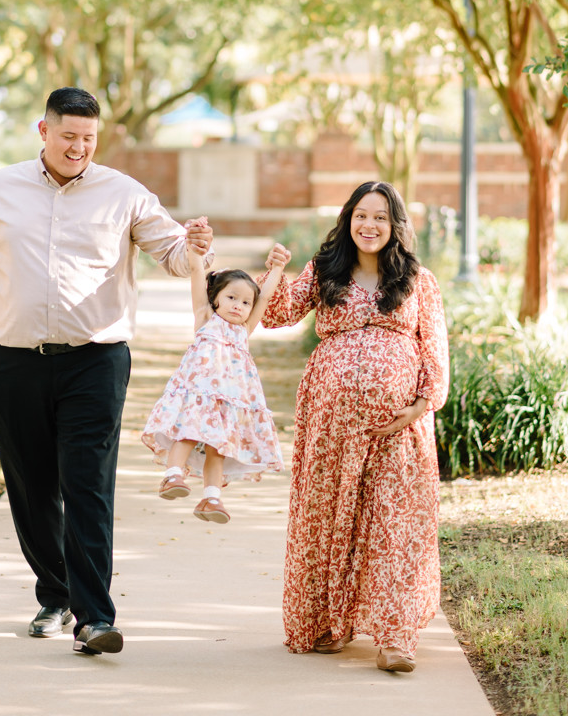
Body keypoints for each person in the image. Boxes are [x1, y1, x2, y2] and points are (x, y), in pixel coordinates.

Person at [0, 87, 213, 657]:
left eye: (89, 139)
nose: (79, 148)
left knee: (87, 485)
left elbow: (173, 256)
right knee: (33, 487)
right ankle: (55, 593)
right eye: (69, 136)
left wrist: (194, 249)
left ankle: (94, 618)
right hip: (13, 363)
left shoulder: (125, 193)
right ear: (44, 131)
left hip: (96, 360)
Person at [260, 181, 448, 673]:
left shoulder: (418, 281)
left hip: (397, 430)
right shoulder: (325, 272)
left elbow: (435, 351)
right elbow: (277, 316)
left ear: (395, 226)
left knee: (393, 525)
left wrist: (419, 406)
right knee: (327, 519)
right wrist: (275, 271)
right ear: (348, 220)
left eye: (381, 218)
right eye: (361, 215)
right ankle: (326, 622)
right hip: (330, 426)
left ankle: (395, 638)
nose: (369, 226)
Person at [141, 241, 291, 523]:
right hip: (200, 394)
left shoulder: (244, 330)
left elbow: (266, 298)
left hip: (228, 404)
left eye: (246, 302)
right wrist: (195, 254)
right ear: (216, 298)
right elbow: (197, 275)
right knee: (188, 431)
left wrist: (278, 268)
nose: (239, 306)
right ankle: (173, 476)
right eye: (232, 297)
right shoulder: (205, 317)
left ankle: (212, 498)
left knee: (218, 449)